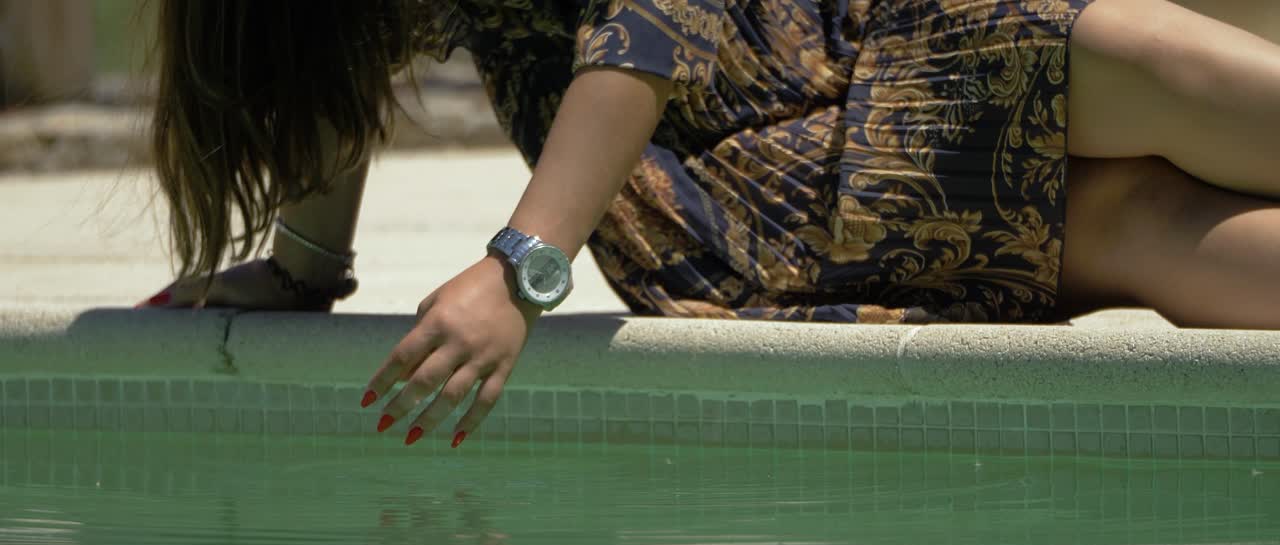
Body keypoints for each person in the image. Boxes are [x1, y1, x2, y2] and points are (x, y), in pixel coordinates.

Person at [140, 0, 1280, 447]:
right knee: (1137, 202)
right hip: (749, 170)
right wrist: (319, 268)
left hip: (848, 37)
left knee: (1141, 78)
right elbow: (636, 41)